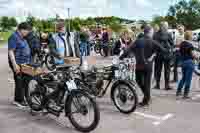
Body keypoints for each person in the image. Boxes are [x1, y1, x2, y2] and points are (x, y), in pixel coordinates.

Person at [120, 26, 167, 106]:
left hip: (139, 65)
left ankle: (146, 99)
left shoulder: (138, 41)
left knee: (139, 81)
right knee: (147, 83)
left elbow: (128, 50)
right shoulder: (153, 41)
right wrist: (153, 56)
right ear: (149, 32)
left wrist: (121, 57)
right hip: (148, 66)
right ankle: (147, 98)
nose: (153, 34)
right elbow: (163, 50)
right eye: (152, 32)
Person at [8, 22, 32, 107]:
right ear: (22, 29)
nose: (27, 33)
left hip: (24, 63)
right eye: (27, 31)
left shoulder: (22, 37)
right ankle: (18, 100)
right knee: (19, 81)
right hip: (17, 63)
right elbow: (11, 51)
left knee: (24, 81)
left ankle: (23, 98)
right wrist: (14, 65)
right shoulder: (14, 37)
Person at [177, 31, 200, 99]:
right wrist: (197, 58)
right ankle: (185, 94)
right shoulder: (190, 45)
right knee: (188, 79)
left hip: (183, 62)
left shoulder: (182, 44)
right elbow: (193, 54)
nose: (193, 36)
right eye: (192, 35)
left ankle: (178, 91)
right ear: (189, 36)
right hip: (189, 62)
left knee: (183, 78)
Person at [154, 21, 174, 90]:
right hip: (159, 55)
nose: (167, 27)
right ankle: (157, 84)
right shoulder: (156, 34)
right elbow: (154, 44)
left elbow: (172, 43)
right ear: (162, 26)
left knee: (167, 70)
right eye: (166, 26)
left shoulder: (169, 34)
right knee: (158, 70)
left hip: (167, 55)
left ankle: (167, 85)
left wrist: (170, 49)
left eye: (167, 26)